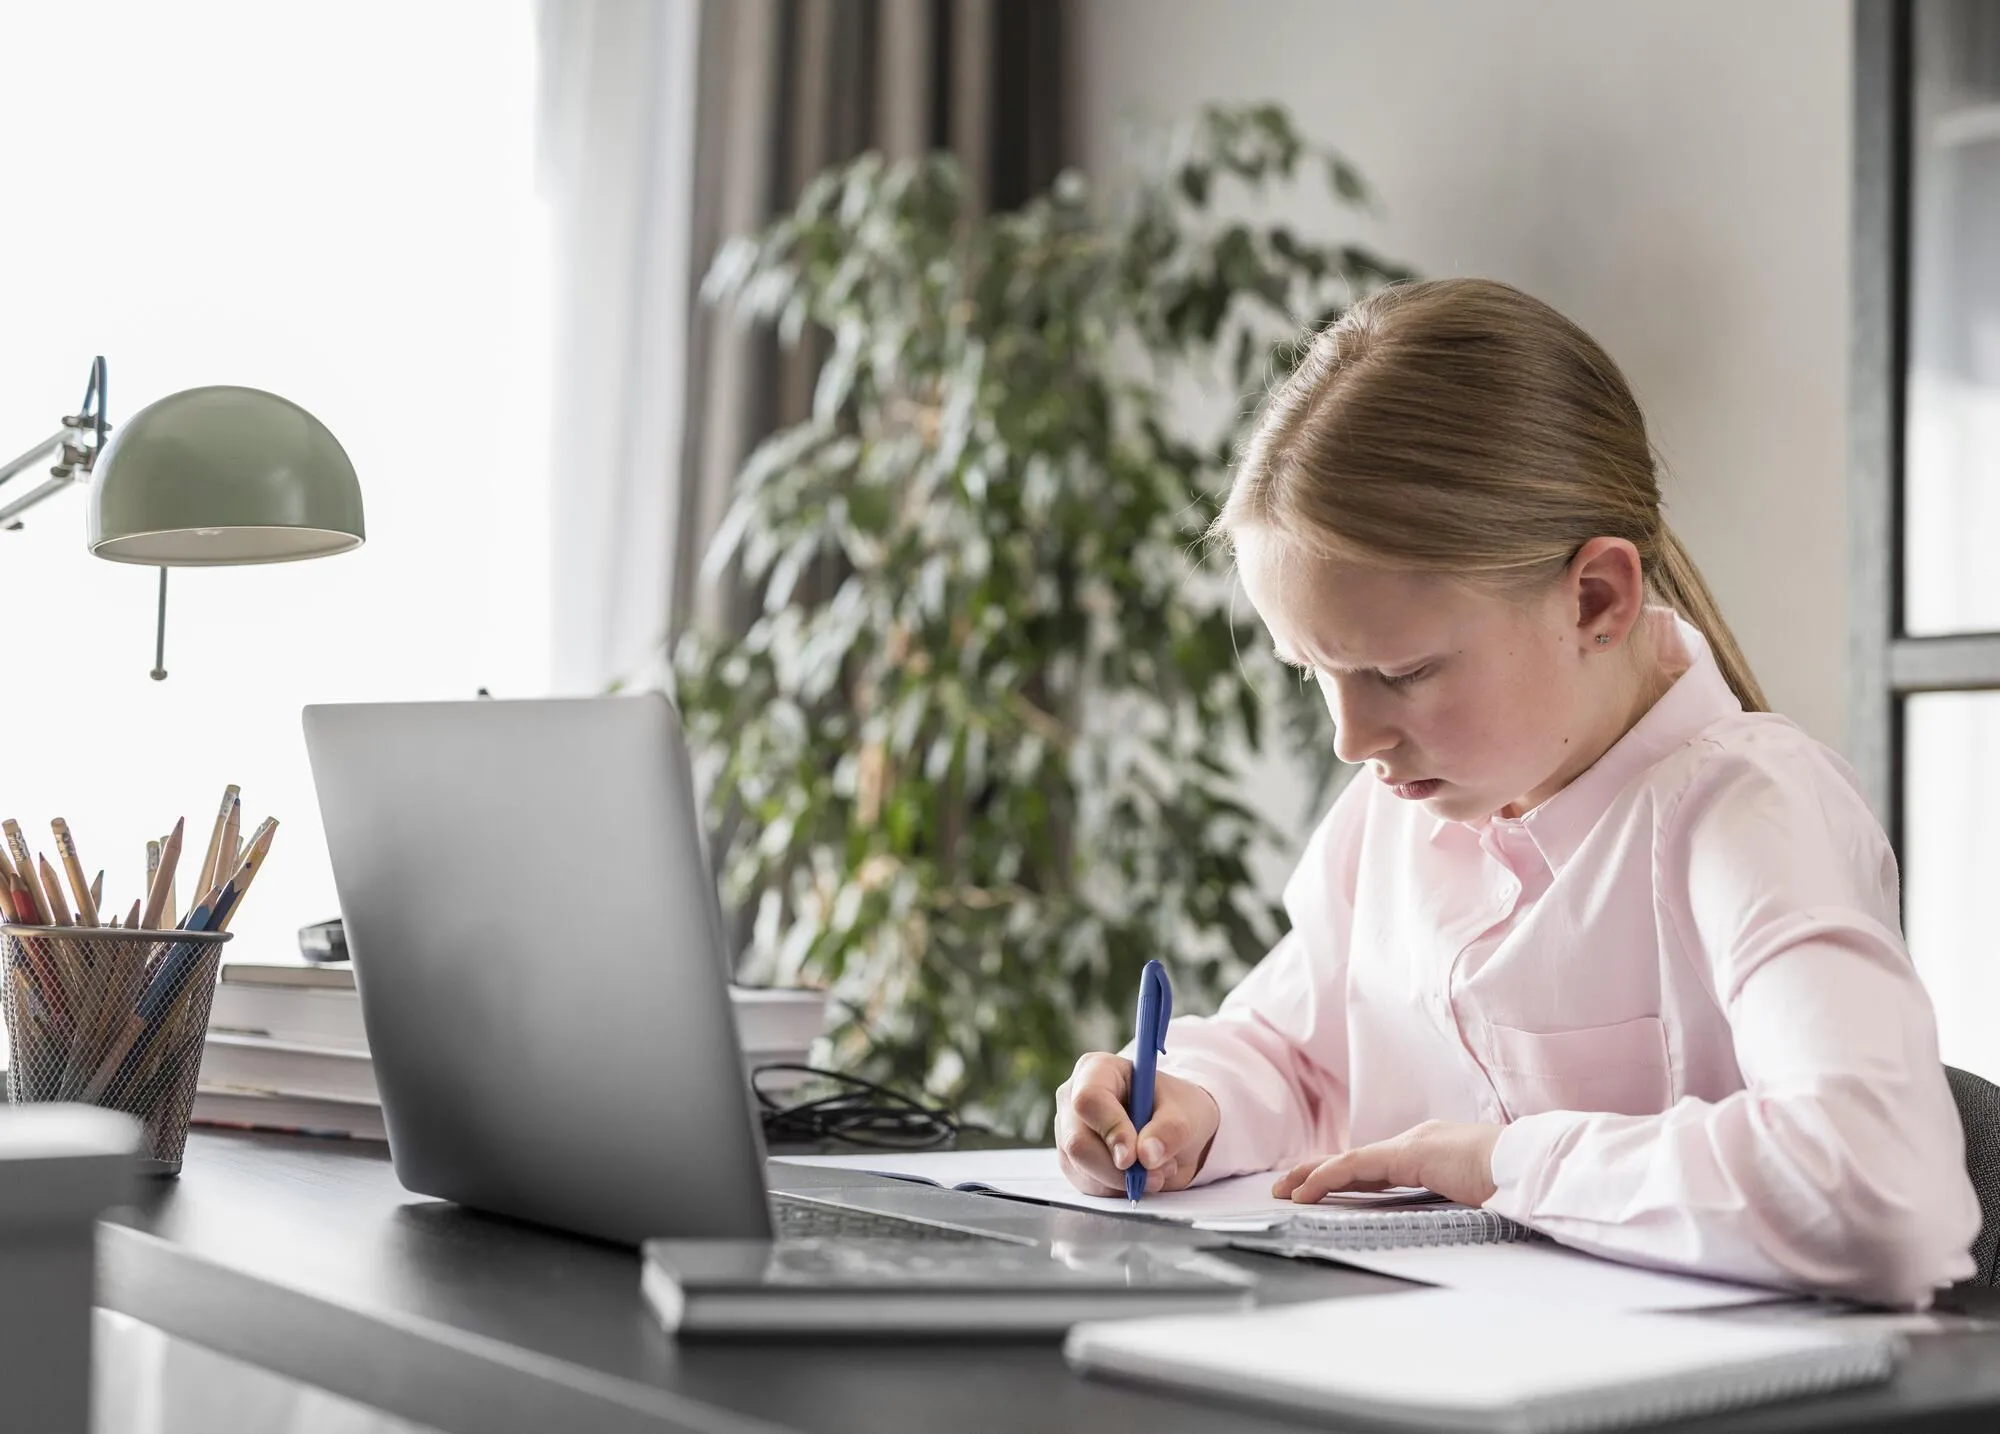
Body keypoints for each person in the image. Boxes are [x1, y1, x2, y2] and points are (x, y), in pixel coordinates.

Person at [1052, 278, 1978, 1309]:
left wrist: (1500, 1164)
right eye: (1310, 671)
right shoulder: (1398, 813)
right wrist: (1187, 1101)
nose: (1348, 737)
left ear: (1594, 599)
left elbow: (1876, 1194)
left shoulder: (1746, 814)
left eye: (1398, 673)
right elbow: (1299, 1056)